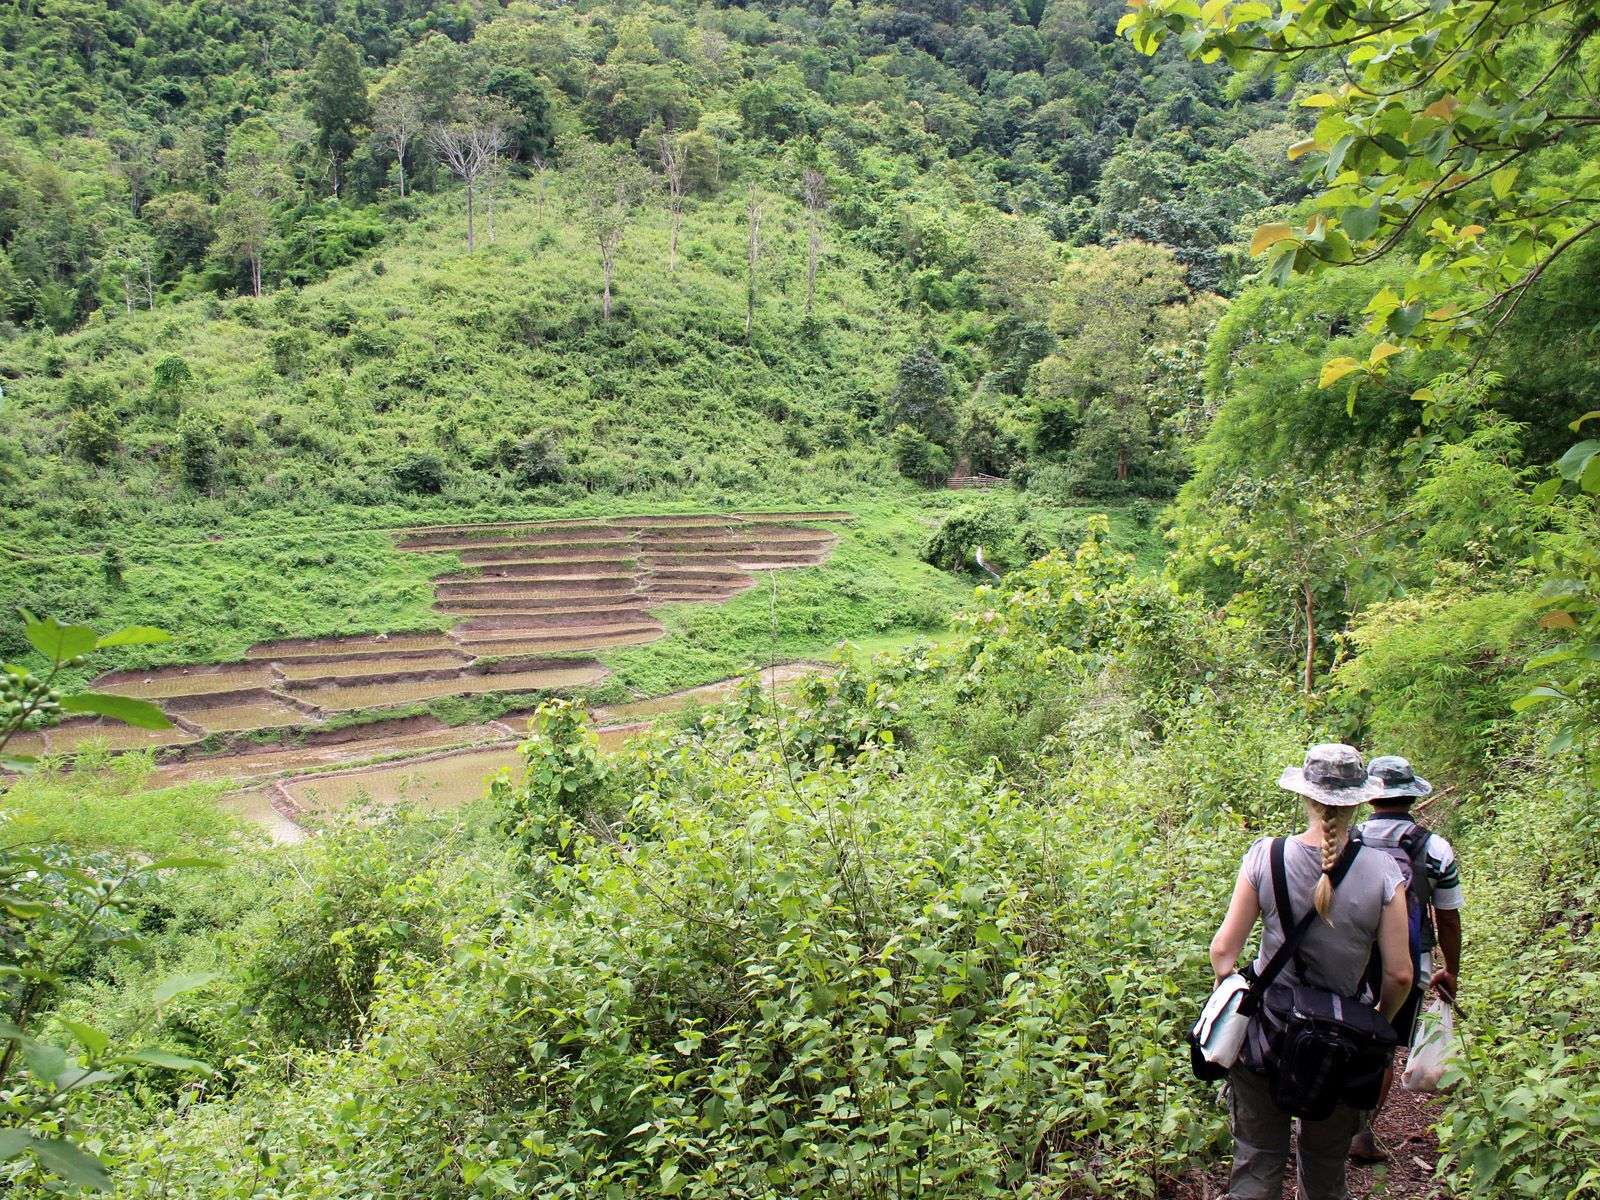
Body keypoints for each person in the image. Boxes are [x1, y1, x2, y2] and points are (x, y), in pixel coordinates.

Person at [1209, 744, 1414, 1200]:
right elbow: (1400, 975)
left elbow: (1224, 950)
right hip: (1341, 1043)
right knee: (1325, 1168)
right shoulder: (1384, 871)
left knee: (1258, 1161)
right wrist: (1374, 1018)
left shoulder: (1266, 855)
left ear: (1305, 797)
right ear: (1361, 801)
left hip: (1266, 1033)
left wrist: (1235, 998)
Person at [1348, 755, 1463, 1163]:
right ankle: (1361, 1130)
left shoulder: (1350, 836)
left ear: (1369, 796)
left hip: (1352, 957)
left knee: (1343, 1031)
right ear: (1411, 796)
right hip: (1410, 962)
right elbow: (1447, 917)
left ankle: (1328, 1118)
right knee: (1382, 1045)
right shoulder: (1434, 847)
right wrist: (1451, 969)